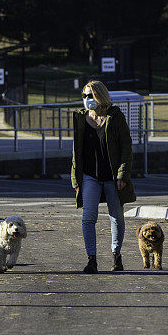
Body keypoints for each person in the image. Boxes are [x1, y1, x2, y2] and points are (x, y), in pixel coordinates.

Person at [71, 80, 136, 274]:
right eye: (84, 96)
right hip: (90, 175)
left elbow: (126, 148)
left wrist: (122, 174)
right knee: (88, 218)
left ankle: (116, 255)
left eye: (90, 95)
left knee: (116, 216)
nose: (87, 100)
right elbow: (76, 152)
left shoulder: (115, 116)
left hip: (112, 176)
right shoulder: (81, 118)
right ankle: (91, 259)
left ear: (100, 95)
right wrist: (76, 177)